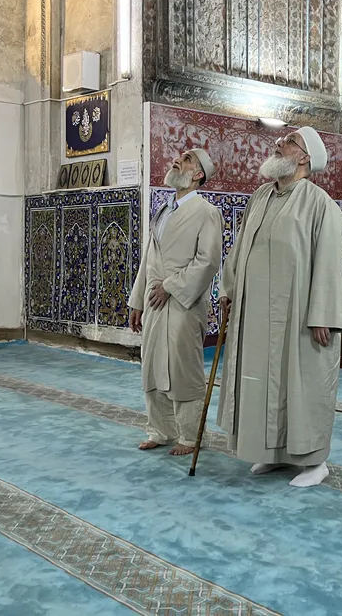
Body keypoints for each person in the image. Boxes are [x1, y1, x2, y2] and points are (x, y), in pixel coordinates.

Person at [217, 126, 342, 487]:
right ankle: (273, 453)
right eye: (282, 139)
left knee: (302, 386)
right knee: (261, 384)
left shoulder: (320, 204)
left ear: (305, 158)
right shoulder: (260, 196)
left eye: (289, 141)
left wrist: (324, 314)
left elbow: (330, 264)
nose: (278, 142)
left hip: (299, 317)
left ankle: (314, 462)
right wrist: (228, 288)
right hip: (255, 316)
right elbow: (241, 247)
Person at [128, 148, 223, 456]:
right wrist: (137, 301)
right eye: (180, 157)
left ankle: (190, 436)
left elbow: (208, 261)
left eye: (187, 159)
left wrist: (170, 287)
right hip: (154, 302)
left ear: (198, 174)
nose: (178, 160)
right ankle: (160, 430)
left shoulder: (206, 212)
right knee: (152, 367)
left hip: (183, 303)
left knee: (182, 370)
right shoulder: (164, 210)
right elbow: (149, 259)